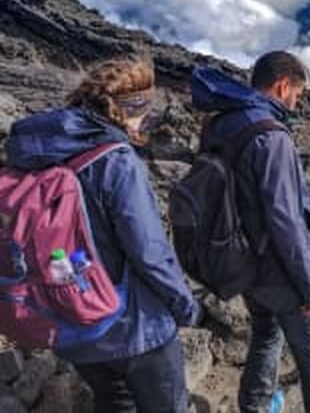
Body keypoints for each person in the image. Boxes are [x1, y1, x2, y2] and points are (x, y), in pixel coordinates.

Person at [5, 56, 199, 412]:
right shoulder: (116, 160)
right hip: (136, 328)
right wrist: (184, 306)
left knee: (113, 405)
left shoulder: (32, 153)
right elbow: (148, 251)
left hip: (72, 324)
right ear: (130, 110)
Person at [191, 51, 310, 413]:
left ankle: (255, 407)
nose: (296, 102)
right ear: (282, 85)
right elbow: (285, 219)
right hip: (279, 270)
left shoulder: (220, 123)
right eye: (298, 94)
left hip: (243, 263)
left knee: (266, 332)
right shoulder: (271, 136)